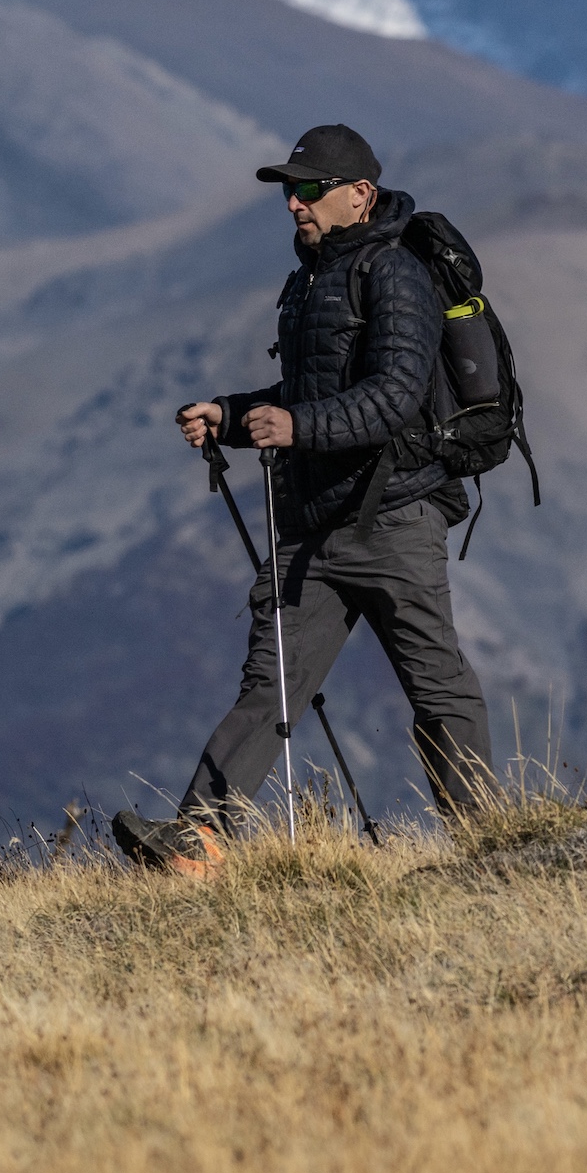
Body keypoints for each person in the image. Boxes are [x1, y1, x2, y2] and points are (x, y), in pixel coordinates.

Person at [112, 123, 494, 874]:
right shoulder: (315, 276)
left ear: (361, 192)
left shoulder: (395, 273)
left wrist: (295, 424)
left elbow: (394, 396)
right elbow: (309, 393)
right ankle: (197, 841)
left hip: (394, 518)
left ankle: (489, 845)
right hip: (317, 523)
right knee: (271, 682)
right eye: (290, 189)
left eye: (310, 188)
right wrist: (230, 415)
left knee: (436, 685)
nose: (295, 202)